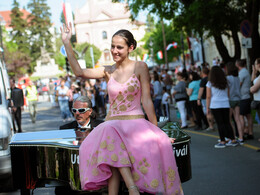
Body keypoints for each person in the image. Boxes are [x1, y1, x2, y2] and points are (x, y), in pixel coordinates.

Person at [61, 24, 183, 195]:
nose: (114, 51)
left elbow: (146, 100)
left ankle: (126, 190)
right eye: (112, 46)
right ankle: (132, 189)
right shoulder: (108, 70)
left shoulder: (140, 66)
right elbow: (79, 71)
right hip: (112, 125)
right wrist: (66, 42)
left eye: (119, 47)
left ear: (130, 47)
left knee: (111, 143)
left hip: (135, 123)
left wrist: (156, 130)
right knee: (109, 133)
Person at [206, 66, 238, 148]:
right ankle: (233, 139)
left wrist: (207, 107)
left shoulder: (210, 83)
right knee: (227, 122)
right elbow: (228, 94)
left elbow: (208, 96)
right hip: (225, 103)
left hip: (215, 104)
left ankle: (222, 141)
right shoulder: (225, 82)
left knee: (220, 123)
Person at [236, 59, 254, 140]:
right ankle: (250, 132)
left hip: (242, 97)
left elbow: (238, 84)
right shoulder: (246, 71)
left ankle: (242, 134)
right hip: (247, 96)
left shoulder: (242, 73)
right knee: (248, 116)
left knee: (241, 116)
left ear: (238, 65)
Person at [226, 62, 243, 144]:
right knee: (238, 119)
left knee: (229, 120)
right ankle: (241, 137)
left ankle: (232, 137)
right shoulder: (237, 78)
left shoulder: (228, 78)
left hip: (230, 99)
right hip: (238, 99)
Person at [197, 67, 214, 131]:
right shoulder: (211, 79)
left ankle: (211, 126)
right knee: (211, 112)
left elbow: (201, 89)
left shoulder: (203, 80)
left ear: (203, 73)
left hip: (205, 97)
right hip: (212, 97)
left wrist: (198, 98)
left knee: (208, 112)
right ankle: (212, 124)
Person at [250, 58, 260, 143]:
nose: (254, 65)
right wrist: (254, 71)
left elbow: (254, 89)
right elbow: (253, 81)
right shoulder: (258, 76)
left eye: (255, 64)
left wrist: (250, 89)